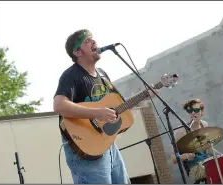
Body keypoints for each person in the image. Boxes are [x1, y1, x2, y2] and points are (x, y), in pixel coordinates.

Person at [53, 29, 157, 184]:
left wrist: (142, 96)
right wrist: (96, 113)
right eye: (87, 41)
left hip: (107, 144)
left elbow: (117, 106)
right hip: (84, 148)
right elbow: (59, 104)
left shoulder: (102, 75)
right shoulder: (71, 75)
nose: (94, 42)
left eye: (93, 39)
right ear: (77, 52)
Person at [170, 98, 222, 183]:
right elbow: (173, 158)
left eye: (196, 110)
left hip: (207, 163)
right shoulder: (181, 131)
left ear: (202, 112)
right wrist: (186, 156)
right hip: (195, 169)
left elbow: (208, 148)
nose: (193, 113)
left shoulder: (204, 125)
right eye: (190, 111)